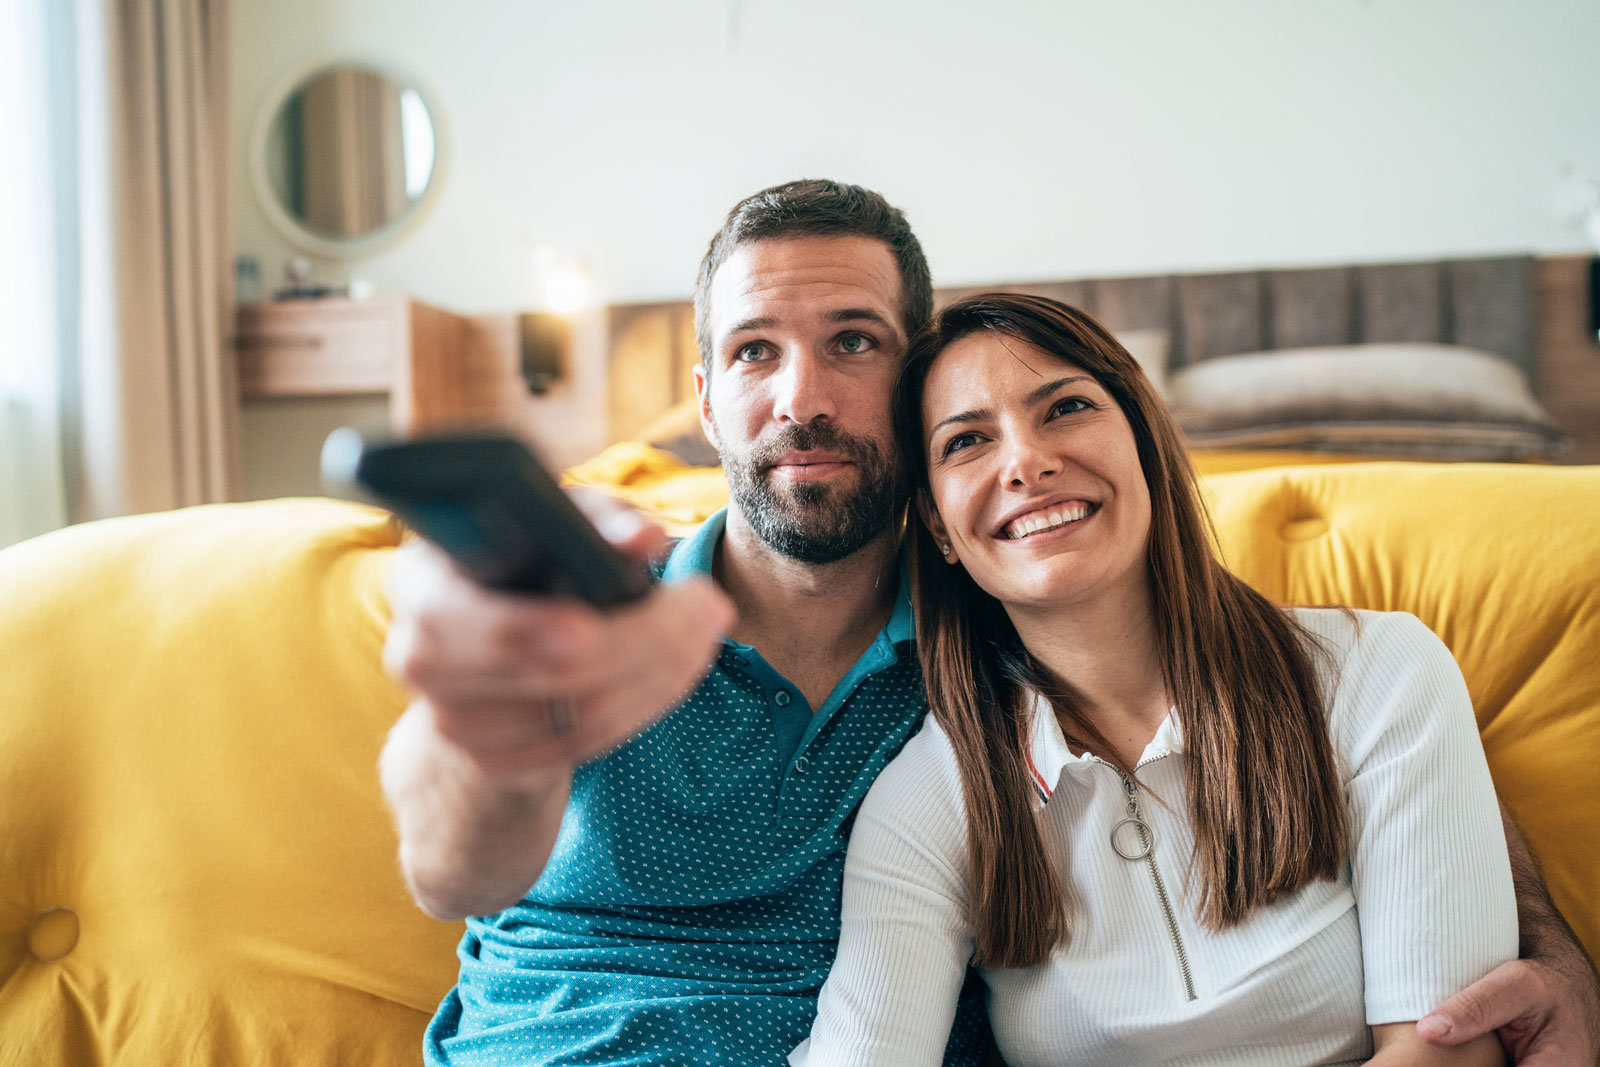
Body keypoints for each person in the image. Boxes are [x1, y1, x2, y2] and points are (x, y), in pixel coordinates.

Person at [379, 180, 1600, 1066]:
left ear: (910, 388)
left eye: (851, 342)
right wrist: (495, 719)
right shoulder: (597, 609)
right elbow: (451, 867)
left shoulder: (1000, 646)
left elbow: (1337, 708)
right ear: (703, 398)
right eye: (754, 351)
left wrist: (1538, 940)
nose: (799, 396)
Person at [794, 292, 1529, 1065]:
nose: (1027, 462)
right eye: (967, 440)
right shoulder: (930, 793)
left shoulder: (1378, 672)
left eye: (1066, 407)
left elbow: (1449, 1049)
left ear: (1146, 444)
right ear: (939, 525)